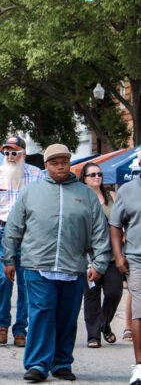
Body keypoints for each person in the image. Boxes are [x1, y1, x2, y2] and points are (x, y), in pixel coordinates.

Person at [3, 144, 110, 383]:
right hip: (37, 266)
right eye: (54, 162)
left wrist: (100, 263)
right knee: (41, 314)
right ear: (46, 165)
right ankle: (37, 365)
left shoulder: (86, 194)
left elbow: (99, 232)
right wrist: (9, 258)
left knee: (66, 318)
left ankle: (61, 362)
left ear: (70, 163)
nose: (60, 166)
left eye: (64, 161)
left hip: (73, 267)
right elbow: (13, 227)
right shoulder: (31, 192)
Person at [0, 136, 44, 347]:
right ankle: (3, 324)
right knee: (3, 280)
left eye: (13, 152)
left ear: (23, 153)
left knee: (27, 282)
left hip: (28, 234)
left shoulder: (36, 175)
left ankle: (20, 329)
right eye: (6, 152)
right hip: (3, 232)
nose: (9, 156)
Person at [80, 162, 122, 348]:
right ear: (84, 178)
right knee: (92, 295)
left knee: (114, 292)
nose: (97, 177)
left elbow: (121, 219)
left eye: (99, 174)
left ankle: (104, 323)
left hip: (112, 253)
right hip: (90, 255)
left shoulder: (111, 195)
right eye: (93, 175)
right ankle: (93, 335)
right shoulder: (80, 197)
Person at [109, 151, 141, 385]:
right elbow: (116, 224)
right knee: (140, 311)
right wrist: (119, 255)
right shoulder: (127, 191)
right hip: (137, 258)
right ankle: (140, 367)